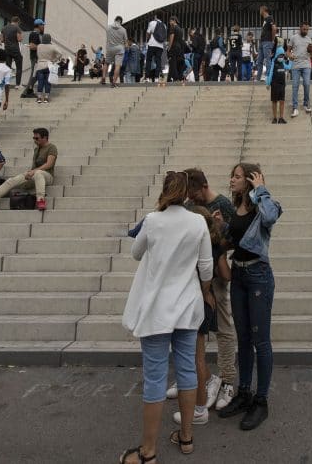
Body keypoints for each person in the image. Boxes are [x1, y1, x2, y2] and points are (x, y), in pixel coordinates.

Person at [119, 171, 213, 464]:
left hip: (156, 309)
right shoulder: (197, 221)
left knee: (155, 377)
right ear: (186, 194)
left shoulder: (152, 220)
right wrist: (203, 291)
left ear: (164, 191)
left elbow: (136, 253)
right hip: (187, 306)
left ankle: (148, 451)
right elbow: (206, 268)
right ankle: (186, 436)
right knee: (187, 371)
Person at [215, 162, 281, 431]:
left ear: (251, 180)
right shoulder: (237, 209)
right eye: (232, 176)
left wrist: (261, 189)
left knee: (260, 341)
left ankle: (261, 401)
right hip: (239, 275)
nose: (232, 180)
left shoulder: (264, 205)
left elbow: (270, 218)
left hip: (258, 276)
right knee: (243, 338)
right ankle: (244, 392)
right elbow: (235, 241)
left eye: (238, 176)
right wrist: (222, 226)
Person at [182, 169, 238, 411]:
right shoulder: (188, 205)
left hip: (216, 271)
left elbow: (236, 237)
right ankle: (199, 377)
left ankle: (227, 379)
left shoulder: (223, 204)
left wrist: (218, 235)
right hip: (195, 277)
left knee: (223, 328)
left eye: (193, 194)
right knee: (195, 330)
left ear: (204, 186)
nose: (190, 199)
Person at [0, 127, 58, 211]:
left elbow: (49, 164)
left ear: (45, 138)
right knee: (11, 180)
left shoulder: (51, 147)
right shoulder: (36, 149)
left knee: (38, 173)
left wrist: (34, 171)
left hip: (47, 176)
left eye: (37, 138)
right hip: (34, 174)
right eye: (33, 138)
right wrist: (29, 174)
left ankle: (41, 200)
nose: (34, 140)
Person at [287, 23, 312, 117]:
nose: (306, 31)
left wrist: (311, 51)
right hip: (296, 65)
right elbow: (288, 51)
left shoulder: (309, 39)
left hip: (306, 65)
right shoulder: (293, 38)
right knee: (295, 86)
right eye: (304, 29)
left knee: (307, 83)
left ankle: (306, 104)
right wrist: (290, 56)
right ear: (300, 28)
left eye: (307, 30)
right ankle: (295, 107)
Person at [34, 34, 61, 104]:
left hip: (40, 66)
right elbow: (60, 53)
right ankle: (46, 98)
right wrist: (54, 60)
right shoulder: (52, 47)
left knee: (40, 82)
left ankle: (39, 97)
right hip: (49, 66)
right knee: (48, 82)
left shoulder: (39, 46)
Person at [21, 19, 45, 98]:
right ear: (39, 25)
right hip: (35, 58)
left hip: (36, 58)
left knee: (36, 75)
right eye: (42, 25)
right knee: (33, 75)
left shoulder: (36, 34)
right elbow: (32, 46)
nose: (43, 27)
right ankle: (25, 92)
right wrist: (42, 47)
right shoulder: (34, 34)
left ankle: (29, 90)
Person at [103, 16, 128, 87]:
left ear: (115, 20)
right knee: (117, 66)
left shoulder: (108, 27)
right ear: (121, 22)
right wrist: (126, 48)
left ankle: (103, 78)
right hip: (119, 49)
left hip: (110, 48)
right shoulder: (123, 30)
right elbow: (126, 43)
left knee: (106, 63)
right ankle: (113, 82)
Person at [267, 45, 288, 124]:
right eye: (280, 55)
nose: (281, 57)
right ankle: (275, 118)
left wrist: (291, 60)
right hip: (274, 84)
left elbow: (289, 67)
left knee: (282, 101)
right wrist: (268, 83)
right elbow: (270, 73)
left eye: (282, 56)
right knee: (274, 101)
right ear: (277, 55)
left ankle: (281, 118)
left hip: (282, 85)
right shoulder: (273, 63)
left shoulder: (283, 63)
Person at [145, 12, 167, 82]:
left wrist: (147, 40)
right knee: (158, 61)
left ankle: (147, 78)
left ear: (156, 16)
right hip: (160, 46)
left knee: (149, 60)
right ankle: (157, 78)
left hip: (152, 44)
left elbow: (148, 33)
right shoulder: (164, 25)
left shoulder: (152, 23)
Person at [256, 5, 276, 82]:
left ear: (263, 10)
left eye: (260, 10)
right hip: (262, 41)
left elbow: (274, 28)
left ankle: (268, 77)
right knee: (259, 61)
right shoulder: (265, 20)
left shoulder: (270, 18)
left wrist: (272, 40)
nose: (259, 11)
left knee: (267, 59)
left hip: (267, 41)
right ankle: (258, 78)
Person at [166, 16, 187, 85]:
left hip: (174, 47)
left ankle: (176, 78)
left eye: (170, 21)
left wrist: (169, 48)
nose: (169, 23)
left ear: (174, 21)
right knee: (176, 63)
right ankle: (170, 78)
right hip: (179, 48)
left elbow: (171, 38)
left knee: (173, 63)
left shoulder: (173, 28)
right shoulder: (180, 29)